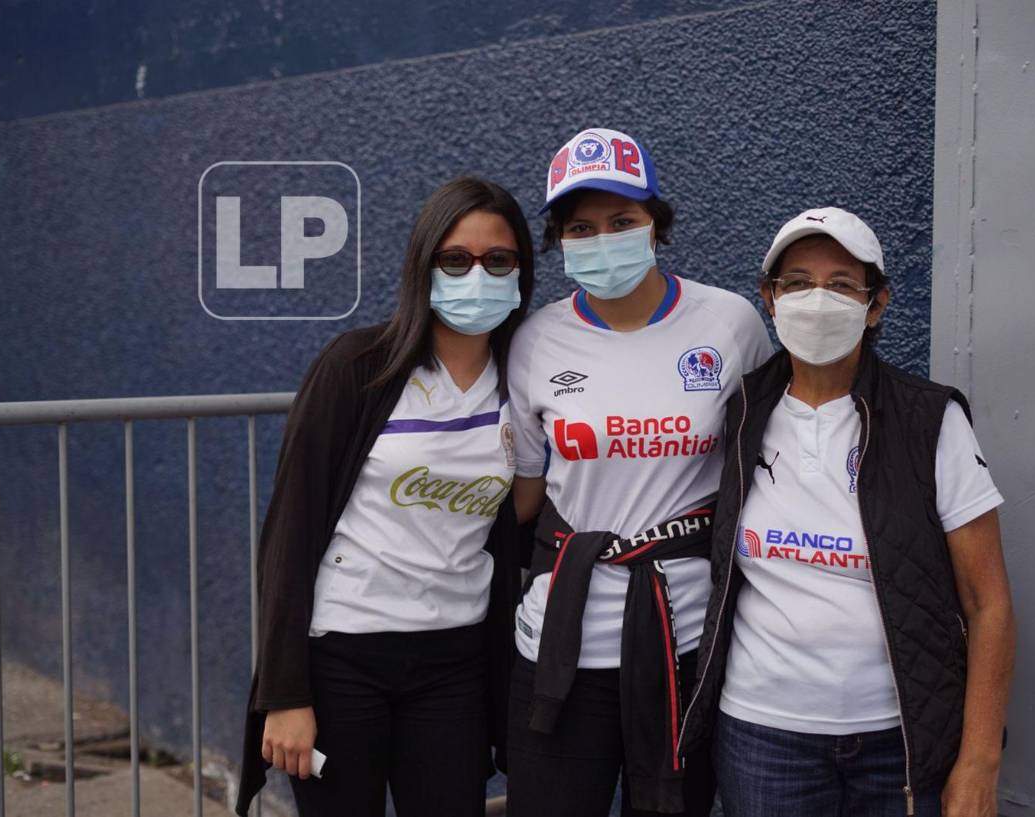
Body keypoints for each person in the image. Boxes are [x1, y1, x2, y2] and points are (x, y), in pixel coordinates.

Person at [678, 207, 1016, 817]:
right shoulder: (740, 415)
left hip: (900, 743)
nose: (817, 300)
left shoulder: (930, 422)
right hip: (761, 736)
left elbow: (988, 603)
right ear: (770, 298)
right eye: (798, 282)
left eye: (840, 285)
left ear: (877, 304)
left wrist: (979, 760)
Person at [233, 177, 536, 817]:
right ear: (422, 267)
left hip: (456, 662)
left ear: (521, 273)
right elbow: (290, 531)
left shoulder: (525, 377)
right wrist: (284, 693)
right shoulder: (357, 367)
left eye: (498, 260)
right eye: (455, 260)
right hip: (345, 657)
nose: (476, 275)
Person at [504, 127, 774, 816]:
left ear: (656, 222)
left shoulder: (730, 324)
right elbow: (526, 499)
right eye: (582, 226)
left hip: (682, 641)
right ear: (559, 238)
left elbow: (765, 461)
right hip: (562, 646)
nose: (603, 238)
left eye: (622, 221)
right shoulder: (536, 340)